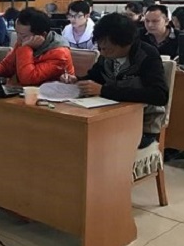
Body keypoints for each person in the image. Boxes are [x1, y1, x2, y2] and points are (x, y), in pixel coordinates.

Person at [61, 13, 169, 150]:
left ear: (126, 43)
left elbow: (159, 95)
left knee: (97, 145)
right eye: (100, 48)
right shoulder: (106, 56)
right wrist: (77, 80)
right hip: (109, 117)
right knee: (74, 137)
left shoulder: (147, 55)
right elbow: (94, 77)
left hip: (143, 124)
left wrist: (103, 90)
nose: (103, 53)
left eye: (108, 49)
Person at [0, 8, 75, 86]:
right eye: (17, 33)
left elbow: (28, 79)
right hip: (23, 90)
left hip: (48, 93)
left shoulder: (59, 53)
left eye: (23, 35)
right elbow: (7, 67)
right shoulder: (23, 41)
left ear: (42, 35)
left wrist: (25, 48)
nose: (18, 39)